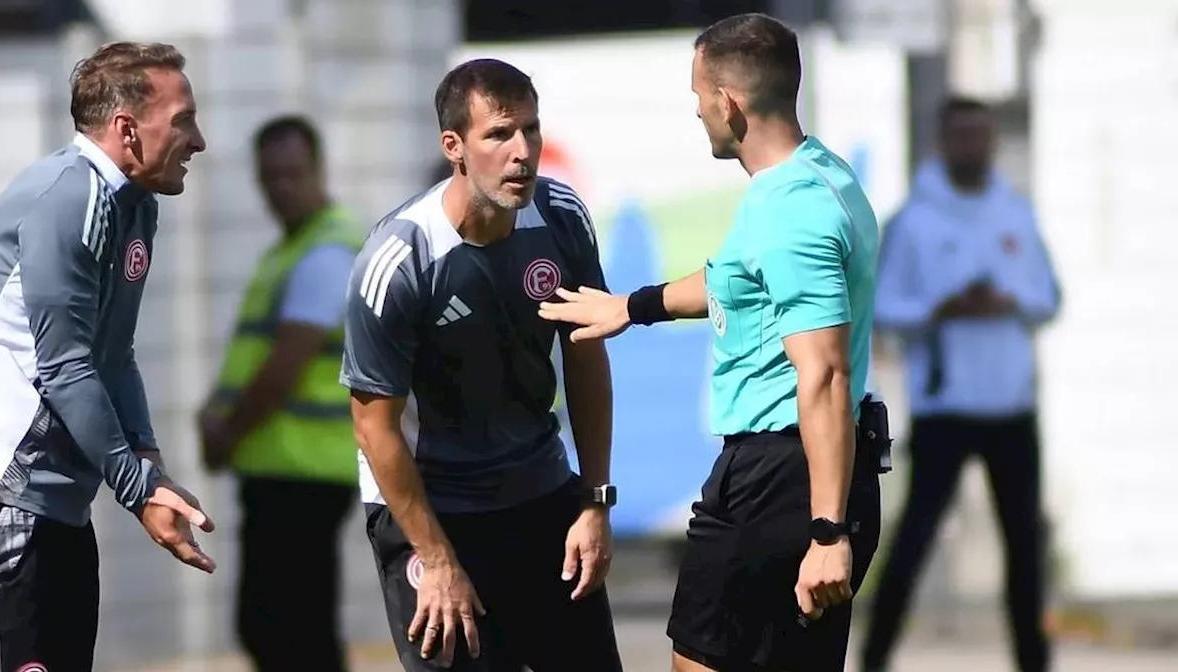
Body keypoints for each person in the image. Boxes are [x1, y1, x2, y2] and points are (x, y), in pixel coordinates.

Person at [538, 13, 886, 671]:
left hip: (782, 480)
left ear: (728, 101)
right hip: (809, 472)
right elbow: (737, 279)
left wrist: (827, 531)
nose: (698, 112)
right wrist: (633, 307)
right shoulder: (821, 176)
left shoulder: (790, 210)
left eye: (699, 96)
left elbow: (825, 375)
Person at [0, 42, 214, 672]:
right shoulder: (69, 195)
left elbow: (115, 355)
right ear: (128, 130)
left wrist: (149, 464)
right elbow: (65, 366)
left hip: (58, 506)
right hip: (2, 499)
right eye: (184, 119)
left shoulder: (134, 206)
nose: (199, 141)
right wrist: (138, 493)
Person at [340, 58, 623, 671]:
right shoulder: (401, 261)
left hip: (539, 490)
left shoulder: (562, 218)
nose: (522, 151)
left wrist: (594, 501)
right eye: (498, 134)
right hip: (432, 513)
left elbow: (587, 357)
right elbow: (373, 428)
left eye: (531, 129)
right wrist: (438, 561)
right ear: (455, 148)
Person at [859, 96, 1061, 672]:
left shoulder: (1014, 212)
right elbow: (888, 308)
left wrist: (1006, 302)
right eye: (961, 135)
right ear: (943, 143)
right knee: (914, 541)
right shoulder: (916, 220)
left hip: (1010, 406)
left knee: (1024, 548)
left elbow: (1048, 298)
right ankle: (874, 659)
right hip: (946, 407)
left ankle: (1034, 661)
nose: (973, 145)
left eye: (981, 134)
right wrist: (942, 309)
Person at [199, 115, 362, 672]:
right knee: (280, 628)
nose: (281, 187)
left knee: (289, 631)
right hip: (283, 468)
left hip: (302, 472)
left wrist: (227, 430)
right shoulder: (292, 250)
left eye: (292, 173)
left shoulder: (324, 252)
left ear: (318, 170)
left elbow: (282, 367)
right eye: (270, 176)